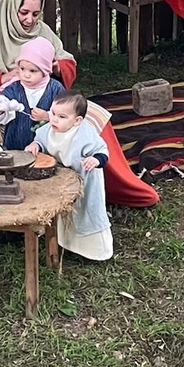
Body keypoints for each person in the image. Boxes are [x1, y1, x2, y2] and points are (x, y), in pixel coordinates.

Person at [0, 0, 158, 208]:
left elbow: (67, 61)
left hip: (46, 101)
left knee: (93, 119)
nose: (29, 20)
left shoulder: (42, 32)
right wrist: (3, 79)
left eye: (35, 14)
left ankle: (114, 185)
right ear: (10, 9)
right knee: (54, 132)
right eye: (23, 13)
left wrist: (56, 67)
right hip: (2, 110)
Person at [27, 90, 112, 261]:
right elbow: (41, 141)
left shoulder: (84, 134)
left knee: (84, 211)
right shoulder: (49, 129)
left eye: (62, 117)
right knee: (63, 210)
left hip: (85, 180)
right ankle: (66, 243)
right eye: (52, 113)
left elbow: (102, 150)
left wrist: (95, 160)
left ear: (77, 120)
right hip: (62, 181)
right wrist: (35, 145)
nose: (54, 119)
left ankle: (94, 251)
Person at [0, 38, 64, 153]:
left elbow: (66, 114)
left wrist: (48, 116)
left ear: (45, 71)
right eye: (22, 69)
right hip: (14, 146)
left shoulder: (55, 89)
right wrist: (1, 106)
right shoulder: (14, 87)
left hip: (46, 150)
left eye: (33, 71)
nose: (26, 75)